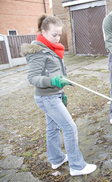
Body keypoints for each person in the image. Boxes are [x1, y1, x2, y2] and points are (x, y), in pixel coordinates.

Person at [21, 14, 97, 176]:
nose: (57, 38)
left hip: (53, 96)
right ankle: (77, 166)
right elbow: (32, 78)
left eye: (59, 35)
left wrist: (60, 91)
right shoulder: (39, 51)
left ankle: (56, 159)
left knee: (53, 128)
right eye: (54, 35)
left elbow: (55, 72)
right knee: (70, 128)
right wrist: (54, 81)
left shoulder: (50, 48)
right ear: (43, 32)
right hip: (46, 97)